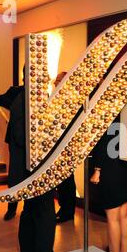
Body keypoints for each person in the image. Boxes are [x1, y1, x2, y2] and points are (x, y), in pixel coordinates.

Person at [5, 81, 55, 252]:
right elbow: (22, 136)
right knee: (44, 216)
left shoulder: (21, 98)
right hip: (35, 173)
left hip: (27, 173)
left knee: (30, 213)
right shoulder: (30, 100)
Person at [90, 116, 127, 252]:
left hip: (110, 168)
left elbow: (102, 144)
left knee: (113, 217)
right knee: (124, 214)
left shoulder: (106, 110)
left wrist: (97, 170)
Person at [0, 84, 24, 221]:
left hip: (33, 141)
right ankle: (11, 208)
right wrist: (15, 106)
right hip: (16, 139)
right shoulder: (16, 90)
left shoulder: (40, 93)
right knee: (15, 174)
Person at [53, 72, 77, 224]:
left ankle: (67, 211)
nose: (55, 84)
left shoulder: (70, 100)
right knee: (61, 180)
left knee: (66, 180)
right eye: (55, 81)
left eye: (59, 81)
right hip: (58, 146)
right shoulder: (57, 99)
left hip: (67, 146)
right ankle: (65, 209)